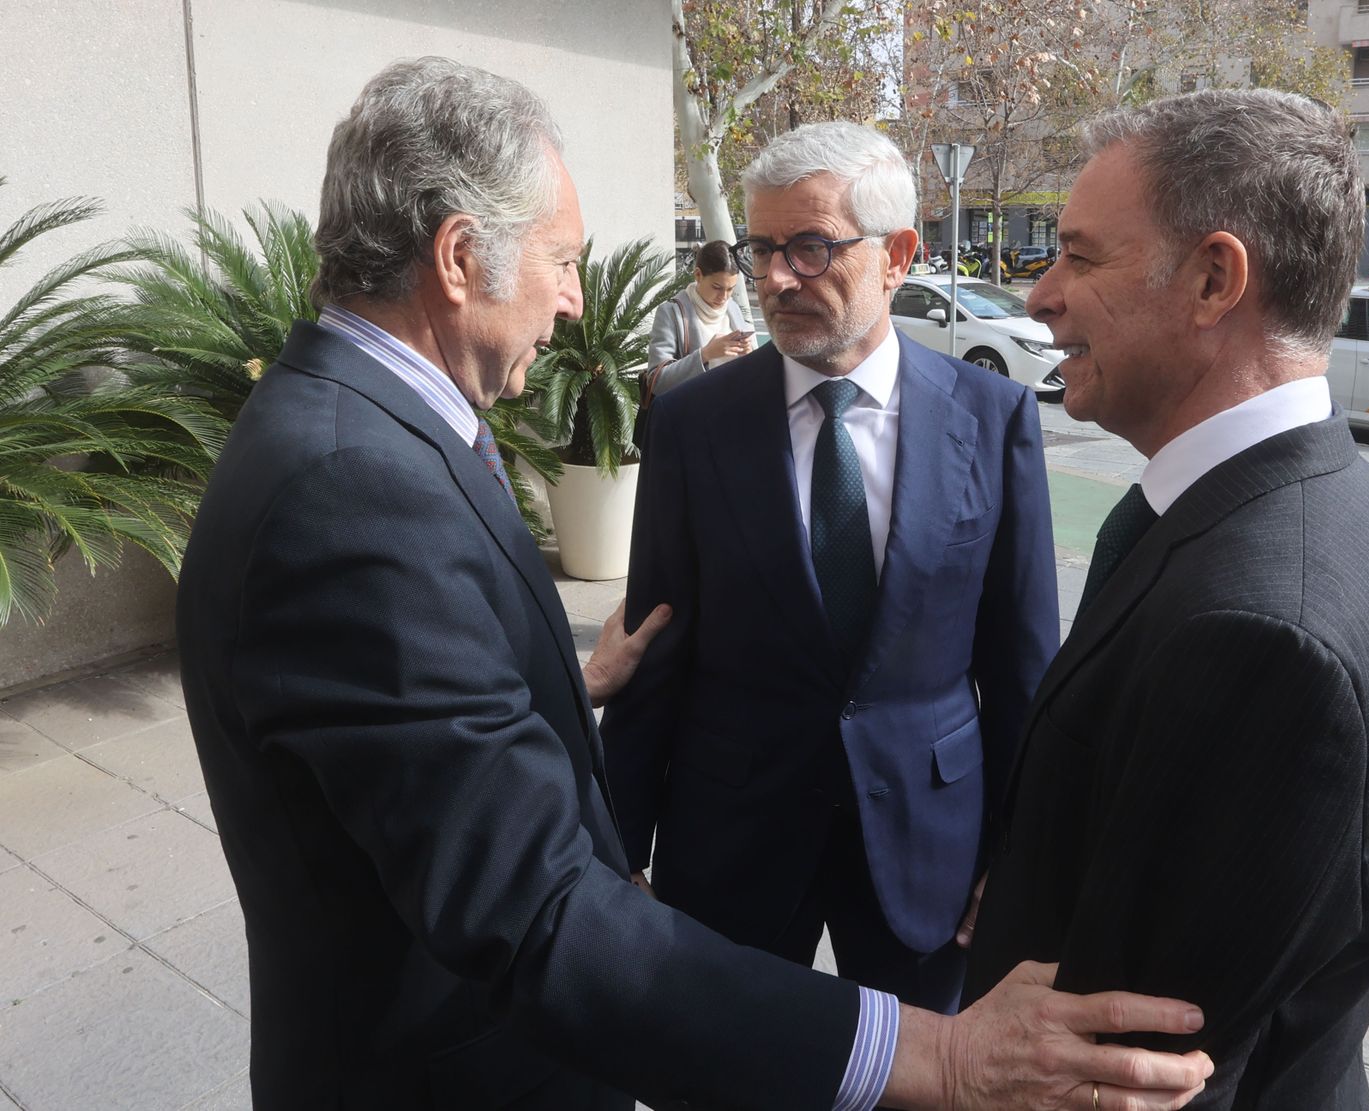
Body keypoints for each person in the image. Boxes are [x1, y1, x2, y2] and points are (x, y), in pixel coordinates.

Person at [175, 57, 1216, 1111]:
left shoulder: (363, 445)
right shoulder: (358, 484)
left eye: (806, 246)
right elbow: (528, 905)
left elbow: (407, 710)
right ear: (456, 258)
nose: (577, 302)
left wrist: (565, 685)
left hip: (914, 856)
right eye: (561, 261)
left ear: (897, 255)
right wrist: (938, 1058)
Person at [962, 88, 1369, 1109]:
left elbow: (1127, 1069)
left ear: (1212, 279)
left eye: (1080, 257)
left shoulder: (1262, 631)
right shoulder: (1285, 508)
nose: (1038, 296)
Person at [601, 121, 1059, 1016]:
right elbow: (652, 643)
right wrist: (614, 849)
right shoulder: (694, 424)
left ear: (898, 255)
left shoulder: (992, 417)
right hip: (732, 835)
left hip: (931, 843)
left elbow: (1020, 667)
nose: (774, 279)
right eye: (762, 248)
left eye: (810, 247)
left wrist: (1019, 856)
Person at [645, 240, 755, 400]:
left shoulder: (732, 308)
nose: (724, 297)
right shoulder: (671, 313)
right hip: (693, 416)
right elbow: (657, 380)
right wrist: (705, 354)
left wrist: (749, 354)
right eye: (717, 287)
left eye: (730, 289)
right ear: (698, 275)